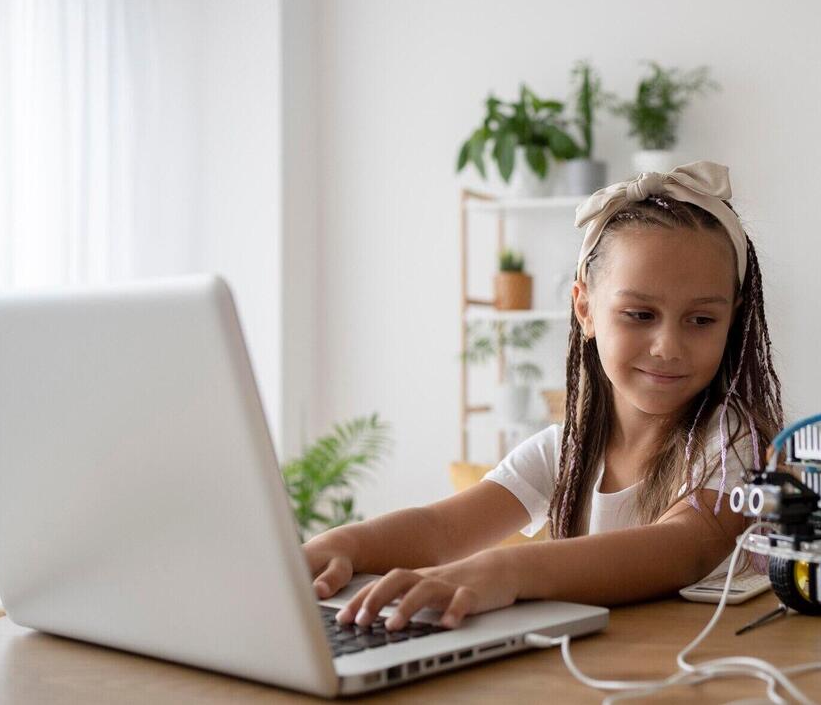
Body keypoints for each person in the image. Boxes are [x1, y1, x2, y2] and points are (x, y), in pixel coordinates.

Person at [306, 161, 785, 632]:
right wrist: (341, 545)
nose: (668, 348)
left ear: (732, 321)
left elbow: (684, 547)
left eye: (701, 320)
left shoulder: (730, 442)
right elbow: (439, 531)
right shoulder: (566, 450)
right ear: (585, 309)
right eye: (639, 314)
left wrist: (505, 570)